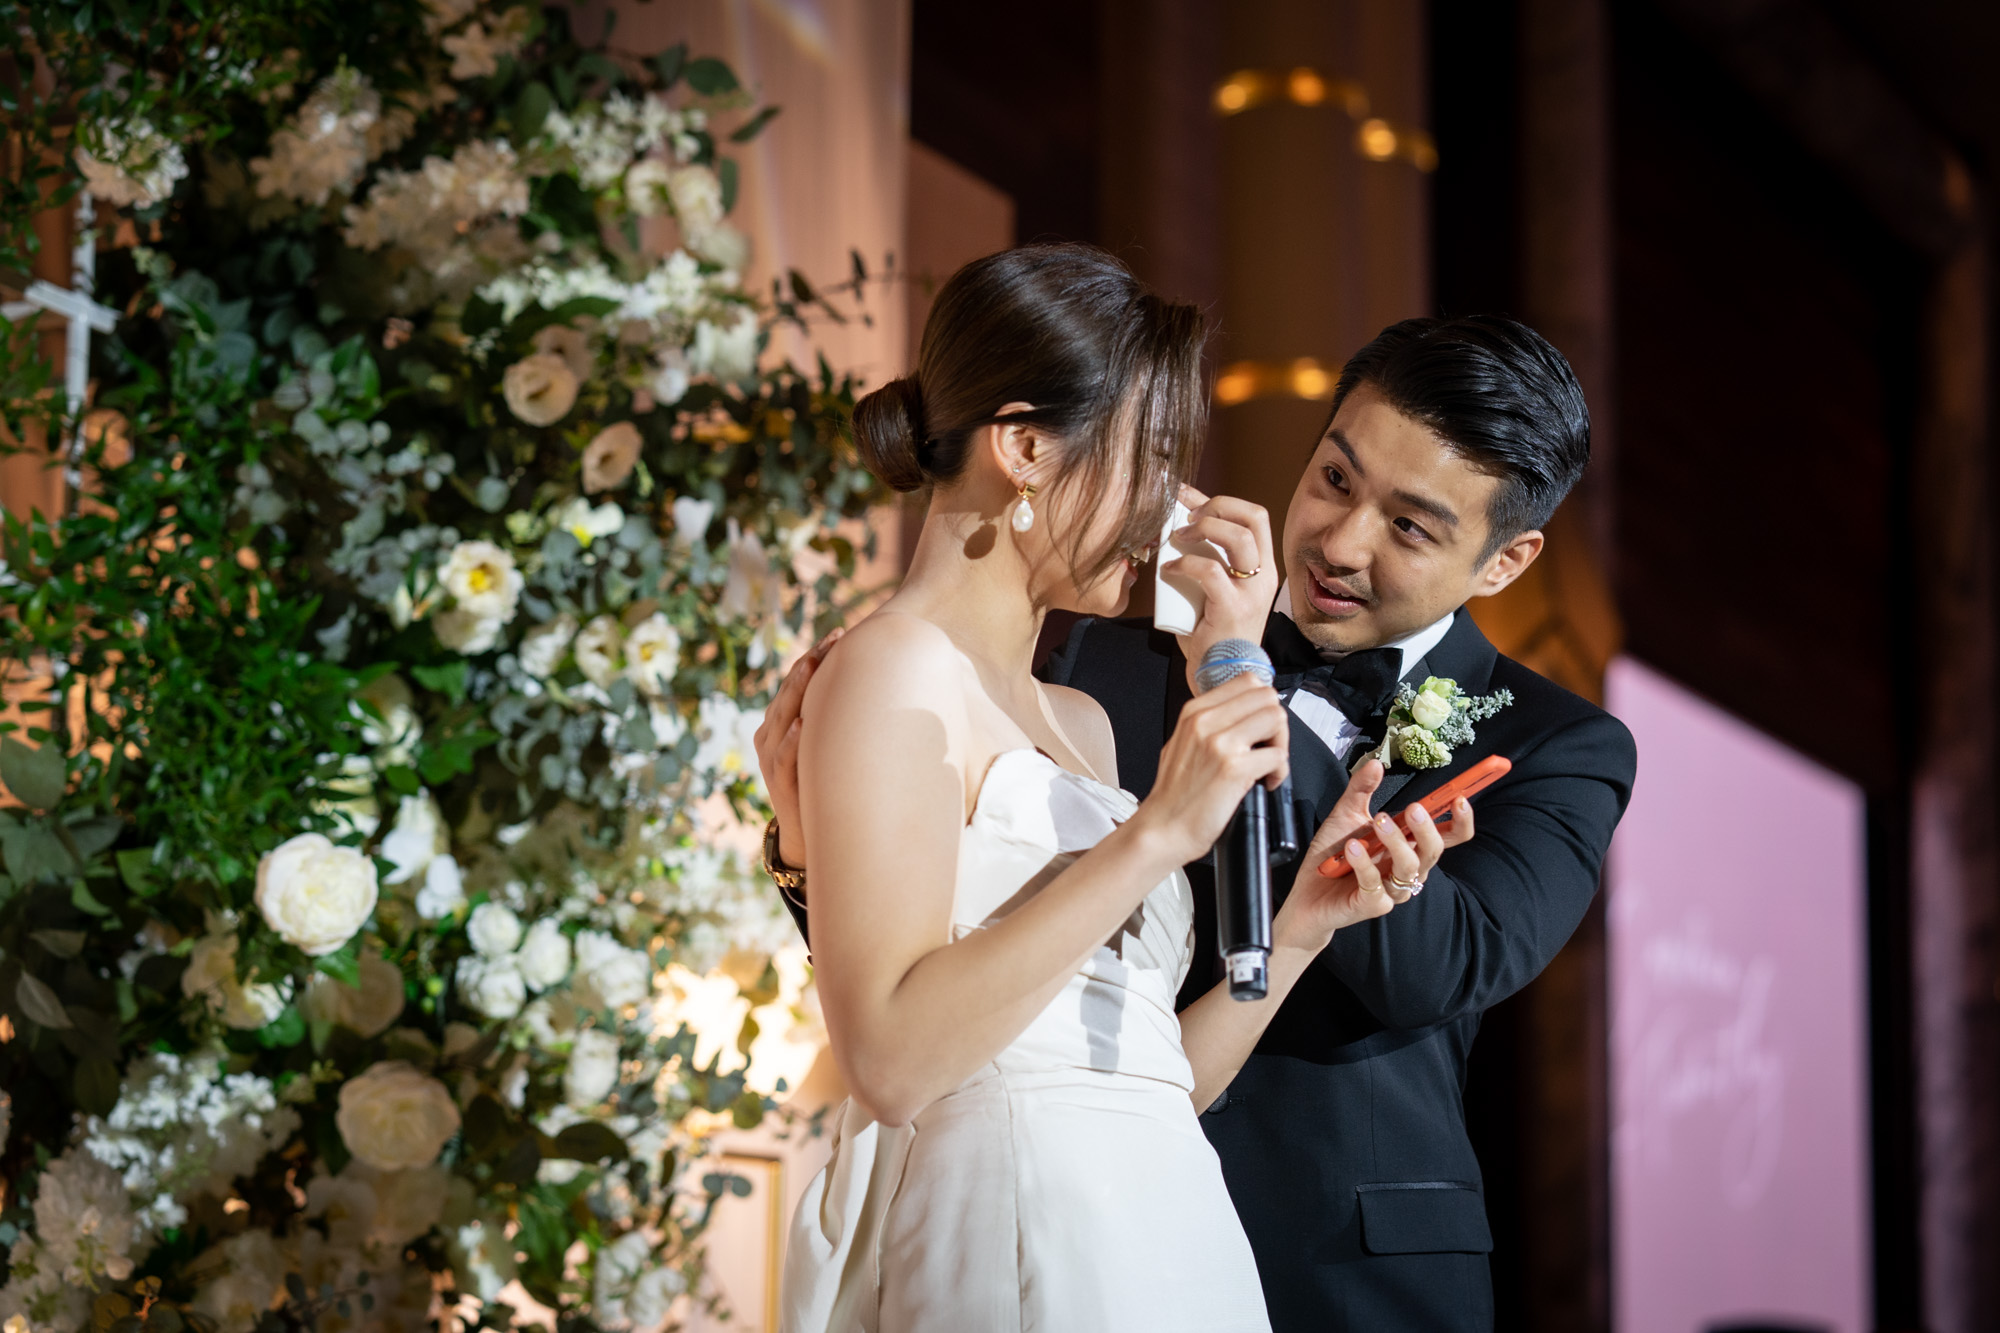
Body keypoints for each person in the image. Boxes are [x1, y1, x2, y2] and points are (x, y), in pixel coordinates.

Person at [761, 310, 1637, 1332]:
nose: (1339, 541)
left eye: (1408, 527)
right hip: (1061, 1209)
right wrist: (807, 859)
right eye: (1334, 478)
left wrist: (1240, 680)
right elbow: (966, 941)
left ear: (1503, 560)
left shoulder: (1557, 744)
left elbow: (1434, 969)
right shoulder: (1102, 666)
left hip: (1350, 1269)